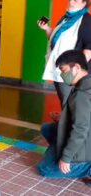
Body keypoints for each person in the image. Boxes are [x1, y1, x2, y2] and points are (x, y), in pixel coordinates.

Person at [37, 50, 91, 181]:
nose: (62, 75)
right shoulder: (85, 85)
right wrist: (63, 117)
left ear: (77, 67)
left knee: (44, 169)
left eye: (64, 70)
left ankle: (87, 166)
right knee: (47, 128)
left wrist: (66, 158)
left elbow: (81, 128)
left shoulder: (82, 95)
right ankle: (62, 151)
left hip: (86, 143)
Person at [38, 0, 91, 106]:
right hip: (59, 70)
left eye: (75, 0)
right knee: (65, 102)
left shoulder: (86, 21)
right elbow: (55, 41)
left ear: (84, 3)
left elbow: (89, 49)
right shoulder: (66, 19)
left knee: (71, 104)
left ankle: (69, 122)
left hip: (71, 74)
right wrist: (46, 28)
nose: (71, 2)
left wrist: (74, 74)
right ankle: (65, 121)